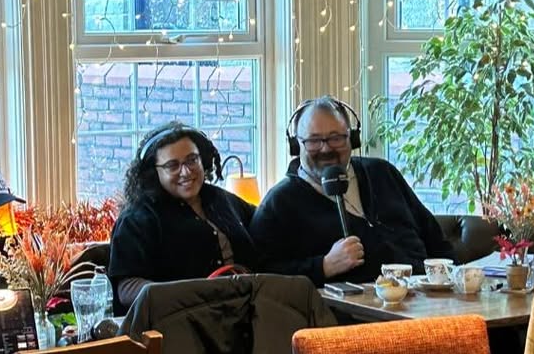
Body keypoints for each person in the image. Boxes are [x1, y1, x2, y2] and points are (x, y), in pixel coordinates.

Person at [249, 95, 454, 286]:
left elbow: (436, 240)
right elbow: (262, 276)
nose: (326, 148)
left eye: (336, 138)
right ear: (296, 145)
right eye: (313, 141)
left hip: (424, 296)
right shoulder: (279, 203)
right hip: (351, 308)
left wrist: (455, 282)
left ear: (352, 139)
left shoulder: (382, 173)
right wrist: (324, 266)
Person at [107, 122, 259, 313]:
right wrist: (187, 296)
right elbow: (126, 288)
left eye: (192, 160)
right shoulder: (137, 219)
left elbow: (265, 227)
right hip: (180, 322)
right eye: (172, 165)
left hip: (249, 314)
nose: (186, 171)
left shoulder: (221, 199)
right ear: (154, 172)